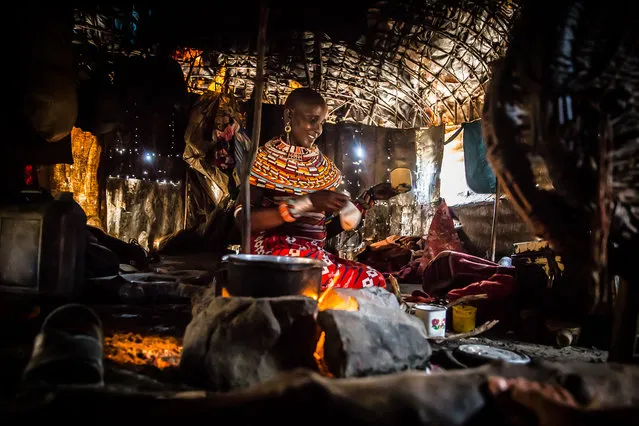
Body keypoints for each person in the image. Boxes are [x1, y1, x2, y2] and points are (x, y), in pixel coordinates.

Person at [234, 87, 391, 290]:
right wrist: (307, 203)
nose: (318, 129)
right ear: (289, 115)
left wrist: (364, 201)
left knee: (374, 278)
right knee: (307, 268)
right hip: (275, 253)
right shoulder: (263, 161)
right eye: (312, 119)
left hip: (312, 256)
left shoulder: (323, 169)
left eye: (322, 122)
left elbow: (320, 231)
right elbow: (242, 220)